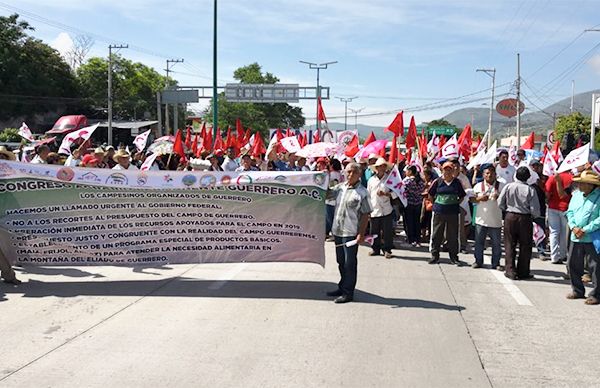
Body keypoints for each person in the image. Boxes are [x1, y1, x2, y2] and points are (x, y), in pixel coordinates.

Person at [327, 162, 372, 303]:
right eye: (348, 172)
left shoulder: (363, 192)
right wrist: (320, 179)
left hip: (351, 233)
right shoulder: (340, 188)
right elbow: (327, 194)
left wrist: (361, 234)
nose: (350, 174)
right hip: (338, 231)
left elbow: (366, 214)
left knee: (349, 263)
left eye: (353, 172)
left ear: (359, 174)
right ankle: (342, 286)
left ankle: (348, 292)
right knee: (340, 261)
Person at [498, 166, 540, 280]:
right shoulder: (530, 190)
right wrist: (534, 216)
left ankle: (510, 271)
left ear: (516, 175)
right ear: (528, 177)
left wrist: (507, 209)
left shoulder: (508, 186)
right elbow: (535, 209)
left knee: (509, 244)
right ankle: (523, 272)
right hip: (525, 218)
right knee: (525, 245)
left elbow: (500, 203)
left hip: (510, 216)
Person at [565, 170, 600, 305]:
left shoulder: (598, 197)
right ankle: (577, 290)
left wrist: (585, 229)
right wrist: (574, 227)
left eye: (583, 183)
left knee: (595, 267)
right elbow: (570, 212)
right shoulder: (576, 196)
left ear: (591, 185)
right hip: (576, 236)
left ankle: (596, 294)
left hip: (592, 237)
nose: (579, 185)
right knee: (572, 264)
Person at [428, 161, 467, 265]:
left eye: (450, 169)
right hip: (439, 213)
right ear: (442, 170)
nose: (447, 171)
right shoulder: (437, 181)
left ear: (453, 170)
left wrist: (454, 203)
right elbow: (430, 194)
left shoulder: (457, 182)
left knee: (453, 235)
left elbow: (462, 196)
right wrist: (437, 204)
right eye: (445, 169)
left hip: (453, 213)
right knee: (437, 234)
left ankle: (454, 257)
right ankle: (434, 256)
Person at [471, 164, 504, 269]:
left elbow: (507, 202)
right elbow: (471, 199)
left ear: (495, 174)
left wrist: (498, 197)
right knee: (479, 243)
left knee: (496, 244)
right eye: (487, 173)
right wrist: (479, 198)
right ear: (483, 175)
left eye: (491, 173)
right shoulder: (478, 186)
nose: (489, 175)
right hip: (481, 219)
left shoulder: (501, 186)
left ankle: (496, 263)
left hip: (496, 221)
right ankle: (478, 261)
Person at [367, 158, 395, 258]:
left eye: (383, 166)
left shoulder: (390, 180)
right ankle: (375, 249)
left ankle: (387, 249)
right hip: (374, 208)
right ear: (376, 168)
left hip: (386, 209)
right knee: (374, 231)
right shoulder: (371, 180)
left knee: (387, 231)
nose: (381, 168)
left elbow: (396, 194)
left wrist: (386, 194)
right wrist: (368, 209)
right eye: (379, 166)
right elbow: (368, 195)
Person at [545, 171, 573, 264]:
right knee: (564, 232)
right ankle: (562, 254)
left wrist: (549, 201)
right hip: (566, 207)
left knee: (554, 232)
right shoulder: (571, 178)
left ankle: (554, 256)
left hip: (553, 207)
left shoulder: (553, 177)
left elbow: (547, 192)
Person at [403, 165, 426, 247]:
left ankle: (411, 239)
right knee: (417, 221)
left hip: (409, 203)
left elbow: (403, 191)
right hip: (418, 204)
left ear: (410, 171)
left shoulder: (406, 181)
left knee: (409, 222)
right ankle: (417, 239)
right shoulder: (420, 181)